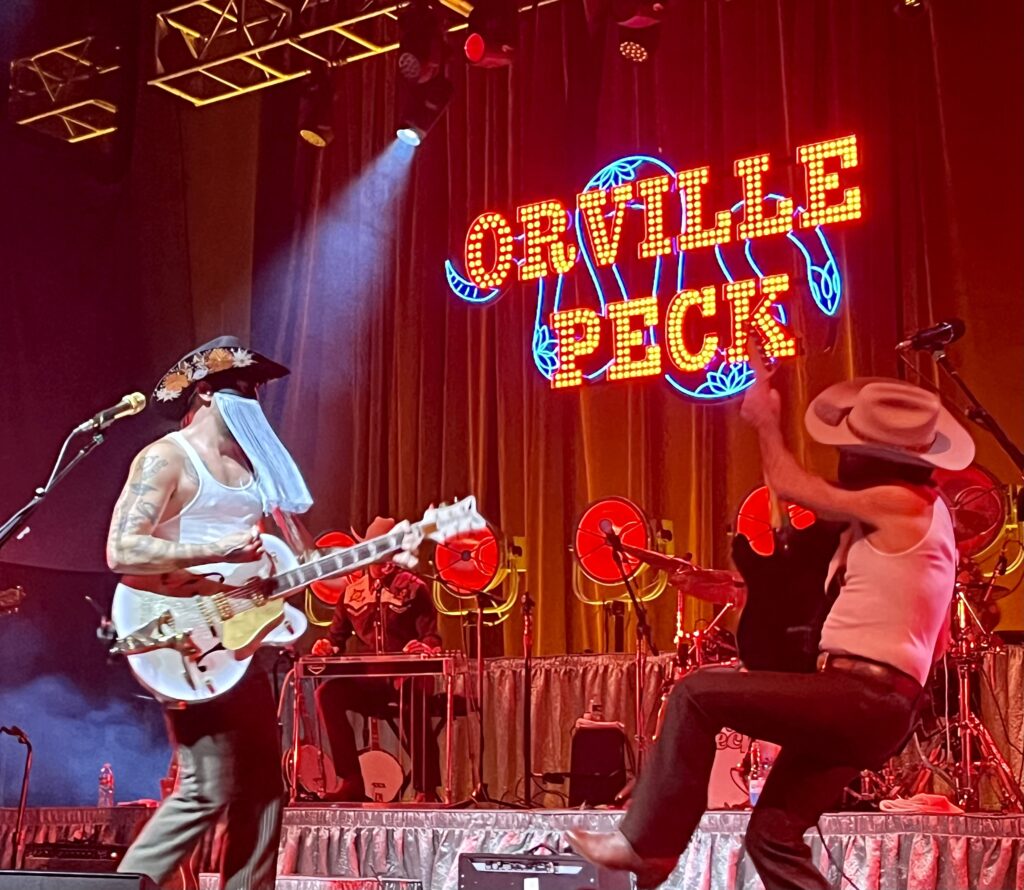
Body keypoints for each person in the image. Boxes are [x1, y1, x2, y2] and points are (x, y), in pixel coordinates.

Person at [568, 346, 975, 890]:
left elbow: (792, 486)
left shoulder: (903, 501)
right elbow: (919, 632)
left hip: (861, 698)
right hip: (874, 704)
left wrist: (764, 420)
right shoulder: (915, 524)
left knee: (696, 694)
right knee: (773, 837)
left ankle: (647, 847)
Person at [107, 336, 319, 890]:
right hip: (178, 629)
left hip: (239, 641)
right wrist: (215, 552)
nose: (251, 401)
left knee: (264, 789)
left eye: (255, 391)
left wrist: (386, 547)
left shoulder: (258, 473)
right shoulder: (166, 458)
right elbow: (122, 549)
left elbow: (300, 560)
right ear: (203, 391)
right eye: (238, 389)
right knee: (207, 786)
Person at [311, 516, 443, 802]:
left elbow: (432, 638)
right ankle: (352, 780)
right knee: (327, 694)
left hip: (408, 680)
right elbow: (336, 641)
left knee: (413, 693)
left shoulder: (415, 587)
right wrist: (325, 647)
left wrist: (422, 647)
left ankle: (426, 788)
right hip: (371, 682)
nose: (387, 560)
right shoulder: (351, 593)